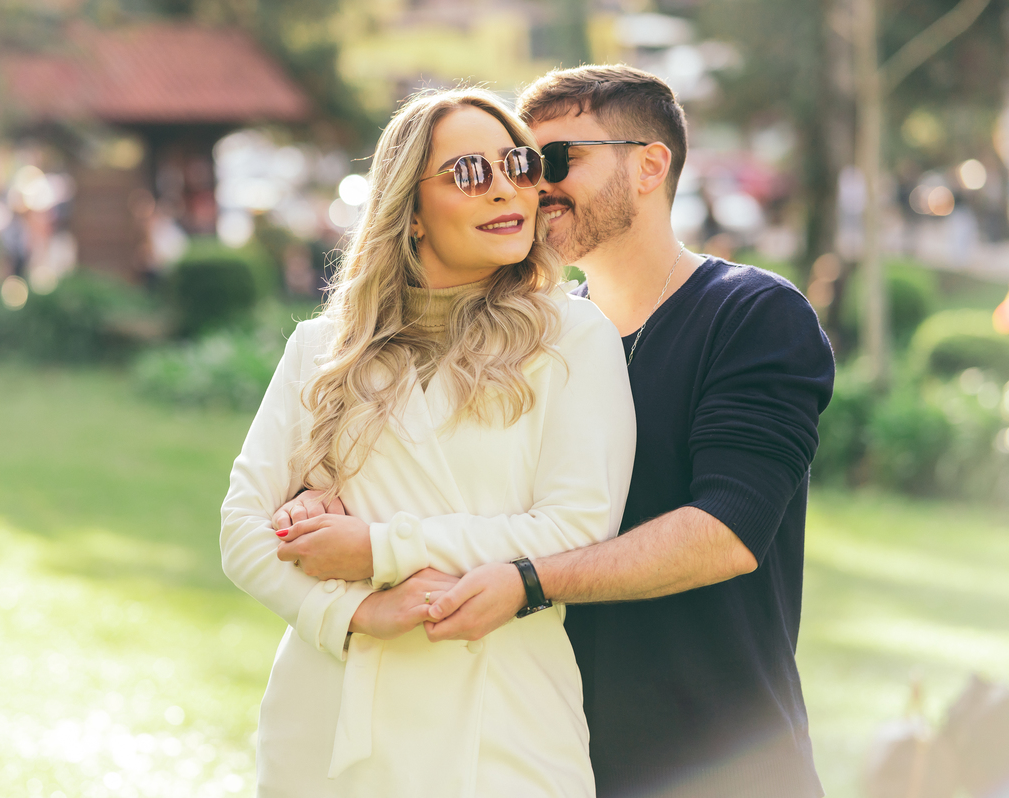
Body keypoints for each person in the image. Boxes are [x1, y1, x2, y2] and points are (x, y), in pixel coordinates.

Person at [280, 66, 836, 798]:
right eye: (518, 163)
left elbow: (725, 534)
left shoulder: (752, 316)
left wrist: (529, 582)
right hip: (549, 753)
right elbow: (448, 484)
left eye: (554, 161)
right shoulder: (534, 338)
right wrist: (325, 497)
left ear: (649, 164)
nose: (530, 187)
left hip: (720, 756)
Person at [219, 87, 635, 797]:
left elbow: (574, 530)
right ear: (409, 211)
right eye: (472, 173)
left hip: (502, 723)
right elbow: (242, 531)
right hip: (331, 718)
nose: (506, 189)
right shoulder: (323, 348)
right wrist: (351, 613)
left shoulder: (571, 337)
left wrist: (379, 549)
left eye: (519, 165)